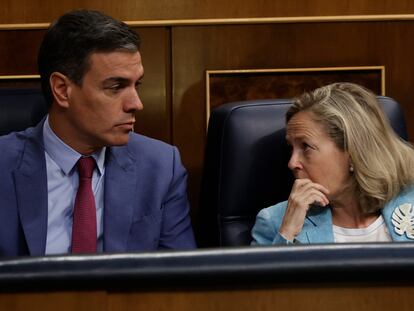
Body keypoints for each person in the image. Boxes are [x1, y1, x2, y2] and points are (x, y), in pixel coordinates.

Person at [0, 9, 196, 256]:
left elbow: (179, 280)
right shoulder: (3, 165)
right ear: (62, 90)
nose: (136, 103)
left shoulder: (160, 167)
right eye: (116, 86)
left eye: (137, 85)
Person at [251, 82, 414, 245]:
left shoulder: (410, 200)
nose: (292, 163)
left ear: (353, 153)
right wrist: (287, 233)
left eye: (306, 147)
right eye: (291, 149)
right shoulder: (275, 222)